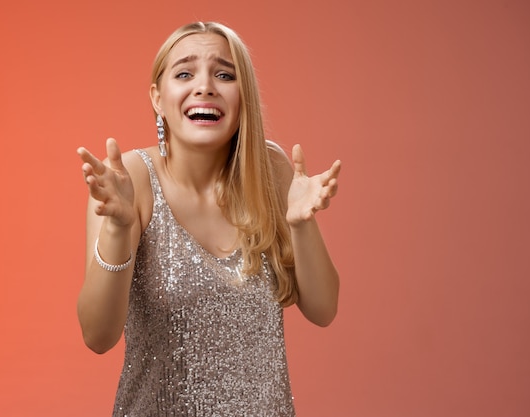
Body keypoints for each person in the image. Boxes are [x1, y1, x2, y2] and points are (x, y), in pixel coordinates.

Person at [77, 21, 341, 416]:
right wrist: (117, 227)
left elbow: (323, 310)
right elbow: (97, 336)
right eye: (184, 73)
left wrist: (301, 225)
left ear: (244, 95)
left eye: (224, 74)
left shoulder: (272, 171)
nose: (205, 86)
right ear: (157, 97)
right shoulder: (129, 180)